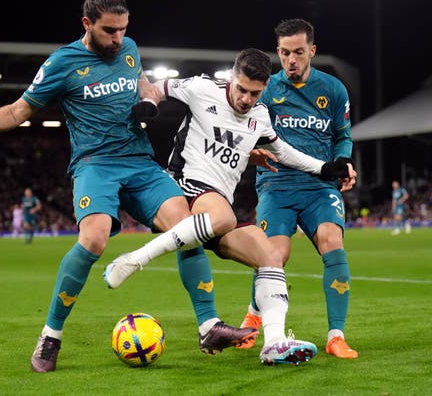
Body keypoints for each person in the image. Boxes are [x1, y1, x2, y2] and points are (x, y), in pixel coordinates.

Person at [0, 0, 255, 373]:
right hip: (95, 165)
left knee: (187, 226)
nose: (119, 38)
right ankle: (51, 335)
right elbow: (20, 111)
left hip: (139, 161)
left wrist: (144, 97)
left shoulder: (130, 50)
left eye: (124, 29)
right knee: (94, 238)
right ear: (86, 23)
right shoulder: (61, 64)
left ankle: (209, 325)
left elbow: (140, 80)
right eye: (109, 30)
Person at [103, 48, 356, 365]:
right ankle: (134, 260)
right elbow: (153, 86)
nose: (246, 99)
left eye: (255, 93)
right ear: (232, 78)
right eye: (241, 89)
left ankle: (274, 343)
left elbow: (283, 151)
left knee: (270, 255)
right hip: (186, 185)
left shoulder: (260, 116)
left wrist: (323, 168)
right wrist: (146, 101)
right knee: (222, 215)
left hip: (218, 206)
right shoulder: (201, 89)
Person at [229, 19, 358, 359]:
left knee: (332, 240)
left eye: (299, 52)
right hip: (277, 185)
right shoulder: (265, 89)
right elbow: (243, 126)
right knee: (275, 255)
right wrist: (250, 150)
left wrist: (343, 161)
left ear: (312, 50)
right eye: (285, 53)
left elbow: (342, 134)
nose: (291, 60)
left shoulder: (333, 90)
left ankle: (336, 336)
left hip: (319, 186)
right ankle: (255, 315)